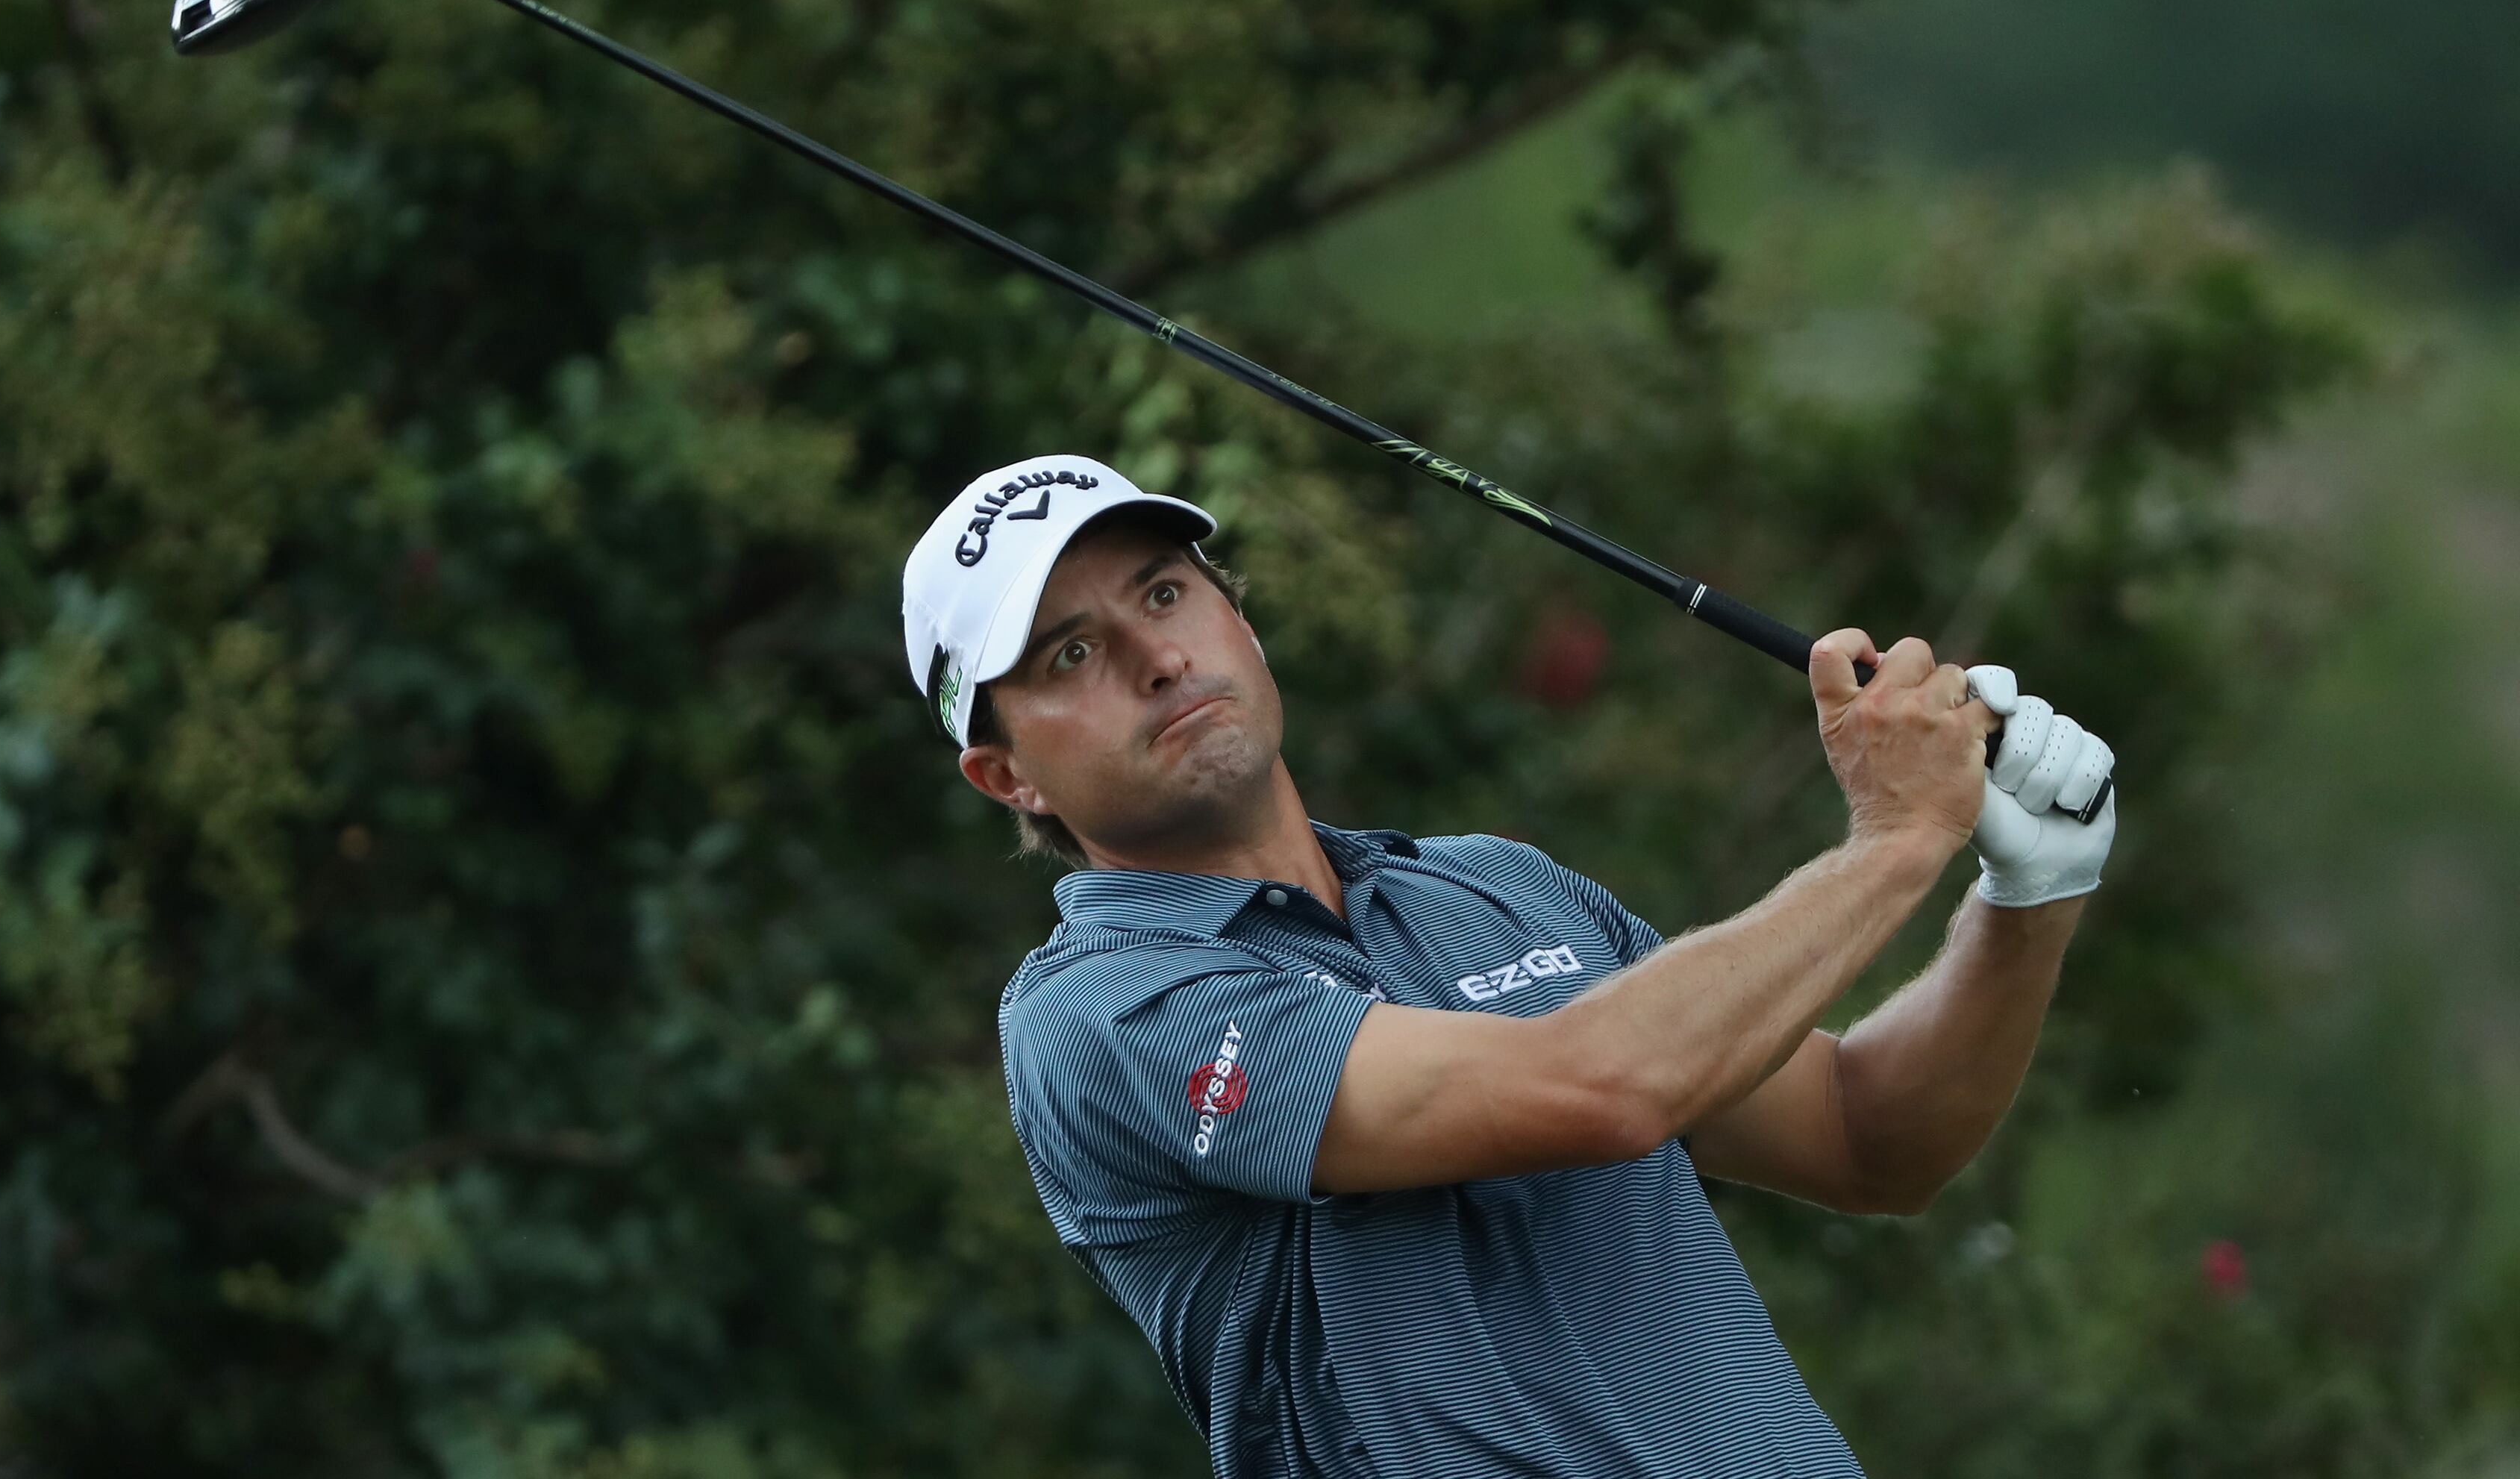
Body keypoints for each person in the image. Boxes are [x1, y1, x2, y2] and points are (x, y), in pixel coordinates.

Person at [901, 453, 2117, 1479]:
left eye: (1165, 594)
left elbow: (1866, 1138)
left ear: (1241, 620)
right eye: (1069, 656)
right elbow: (1601, 1090)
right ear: (1007, 776)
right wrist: (1901, 837)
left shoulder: (1493, 885)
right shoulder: (1101, 1013)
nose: (1154, 658)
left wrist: (2025, 898)